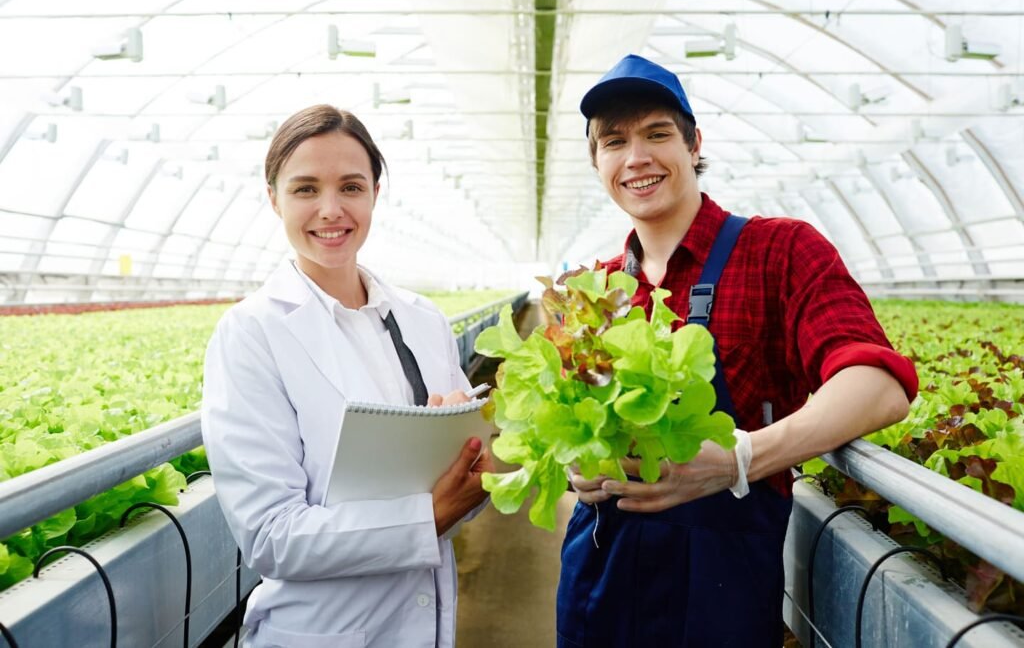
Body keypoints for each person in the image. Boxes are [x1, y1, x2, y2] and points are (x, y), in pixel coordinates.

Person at [556, 55, 919, 647]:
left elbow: (877, 386)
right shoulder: (590, 292)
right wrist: (577, 464)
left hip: (719, 590)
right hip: (599, 578)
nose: (636, 157)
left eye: (657, 133)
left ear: (695, 142)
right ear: (597, 162)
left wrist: (740, 459)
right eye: (613, 141)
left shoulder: (779, 251)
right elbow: (567, 425)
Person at [201, 105, 492, 648]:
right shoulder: (252, 333)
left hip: (426, 623)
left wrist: (479, 463)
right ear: (274, 199)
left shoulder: (421, 319)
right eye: (306, 189)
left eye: (351, 187)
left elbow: (465, 473)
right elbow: (270, 536)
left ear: (375, 194)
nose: (330, 210)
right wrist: (425, 517)